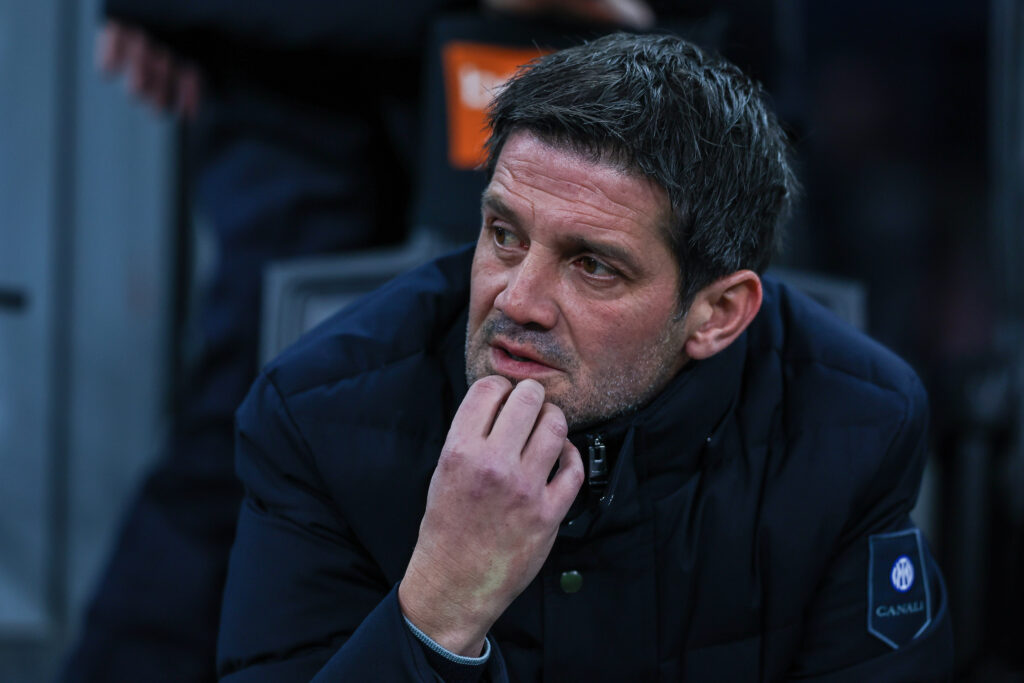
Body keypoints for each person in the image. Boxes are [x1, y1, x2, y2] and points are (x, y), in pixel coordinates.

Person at [216, 32, 951, 681]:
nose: (516, 300)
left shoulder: (852, 426)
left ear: (718, 313)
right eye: (505, 235)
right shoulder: (320, 413)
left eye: (593, 265)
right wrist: (438, 609)